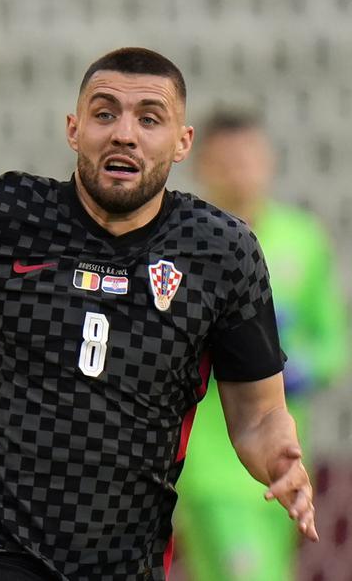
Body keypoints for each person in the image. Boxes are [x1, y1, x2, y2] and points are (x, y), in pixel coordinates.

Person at [0, 47, 319, 581]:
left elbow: (258, 416)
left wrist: (280, 458)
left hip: (125, 564)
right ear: (74, 130)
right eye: (104, 114)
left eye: (149, 119)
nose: (124, 134)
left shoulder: (222, 253)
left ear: (182, 142)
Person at [174, 109, 347, 581]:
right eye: (226, 161)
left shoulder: (302, 239)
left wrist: (301, 366)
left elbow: (333, 341)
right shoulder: (186, 246)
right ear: (201, 165)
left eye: (247, 159)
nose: (239, 172)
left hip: (285, 458)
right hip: (213, 466)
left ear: (268, 161)